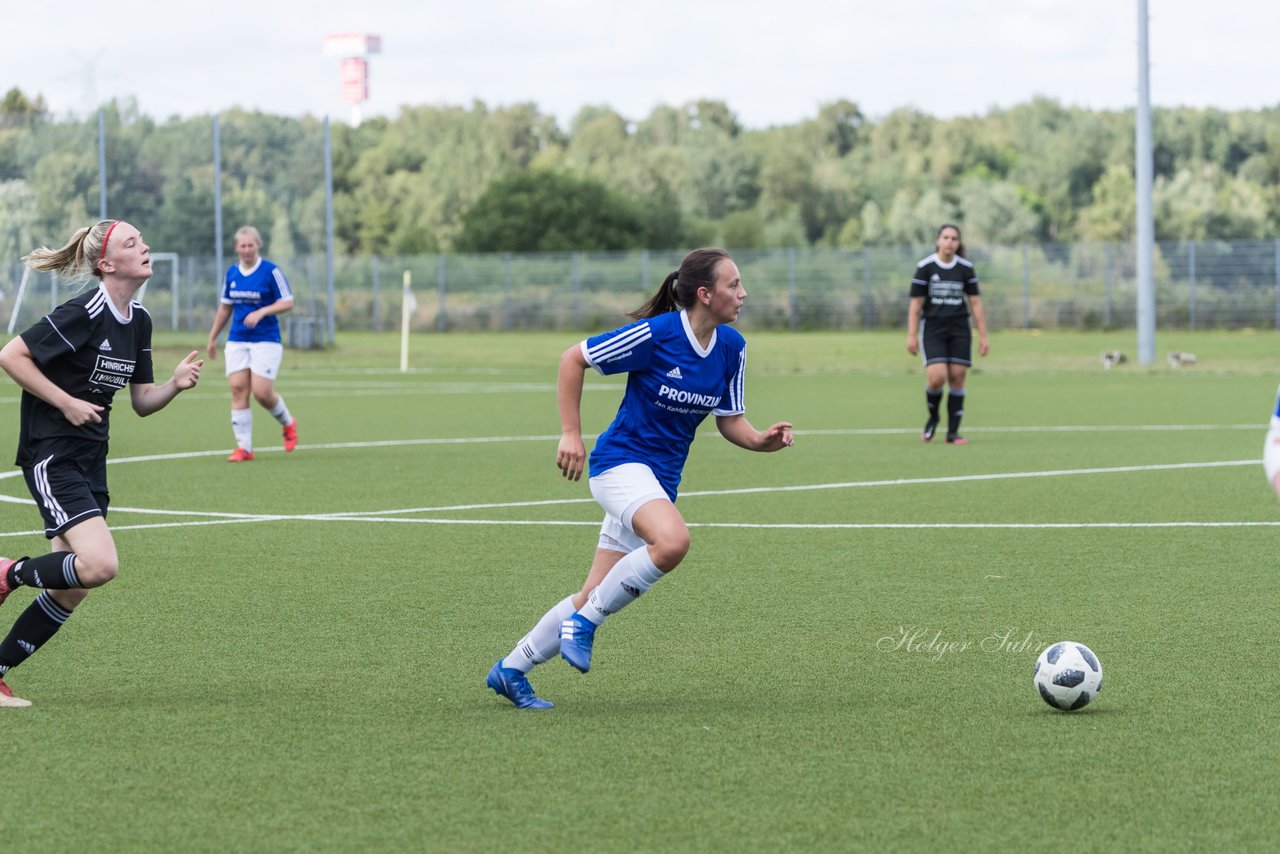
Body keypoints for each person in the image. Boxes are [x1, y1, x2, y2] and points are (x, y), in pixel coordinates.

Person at [486, 248, 795, 710]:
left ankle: (511, 669)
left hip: (658, 483)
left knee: (593, 590)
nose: (743, 293)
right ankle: (585, 623)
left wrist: (760, 441)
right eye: (734, 285)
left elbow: (730, 421)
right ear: (706, 294)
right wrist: (571, 433)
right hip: (619, 466)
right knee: (673, 542)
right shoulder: (657, 334)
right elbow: (573, 359)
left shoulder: (733, 349)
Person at [0, 220, 204, 708]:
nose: (146, 246)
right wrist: (66, 401)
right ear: (106, 264)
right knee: (99, 564)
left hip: (92, 461)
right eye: (132, 243)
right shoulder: (84, 312)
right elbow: (11, 355)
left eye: (143, 239)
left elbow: (141, 402)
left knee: (74, 587)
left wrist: (174, 384)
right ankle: (7, 573)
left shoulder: (140, 320)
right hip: (54, 454)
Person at [205, 225, 298, 462]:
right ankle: (244, 448)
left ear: (258, 245)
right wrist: (213, 337)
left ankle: (288, 423)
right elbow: (225, 307)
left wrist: (264, 311)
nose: (247, 250)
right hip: (237, 339)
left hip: (266, 340)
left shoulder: (270, 271)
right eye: (242, 246)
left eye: (251, 245)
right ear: (237, 248)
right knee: (238, 389)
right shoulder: (232, 273)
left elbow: (288, 302)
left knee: (262, 393)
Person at [905, 224, 989, 444]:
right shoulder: (925, 267)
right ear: (938, 241)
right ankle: (933, 417)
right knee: (936, 378)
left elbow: (976, 303)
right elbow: (915, 305)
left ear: (958, 243)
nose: (950, 242)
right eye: (946, 237)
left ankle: (953, 432)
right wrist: (911, 335)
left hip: (960, 329)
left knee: (958, 378)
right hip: (933, 329)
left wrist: (983, 335)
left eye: (954, 238)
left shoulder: (965, 268)